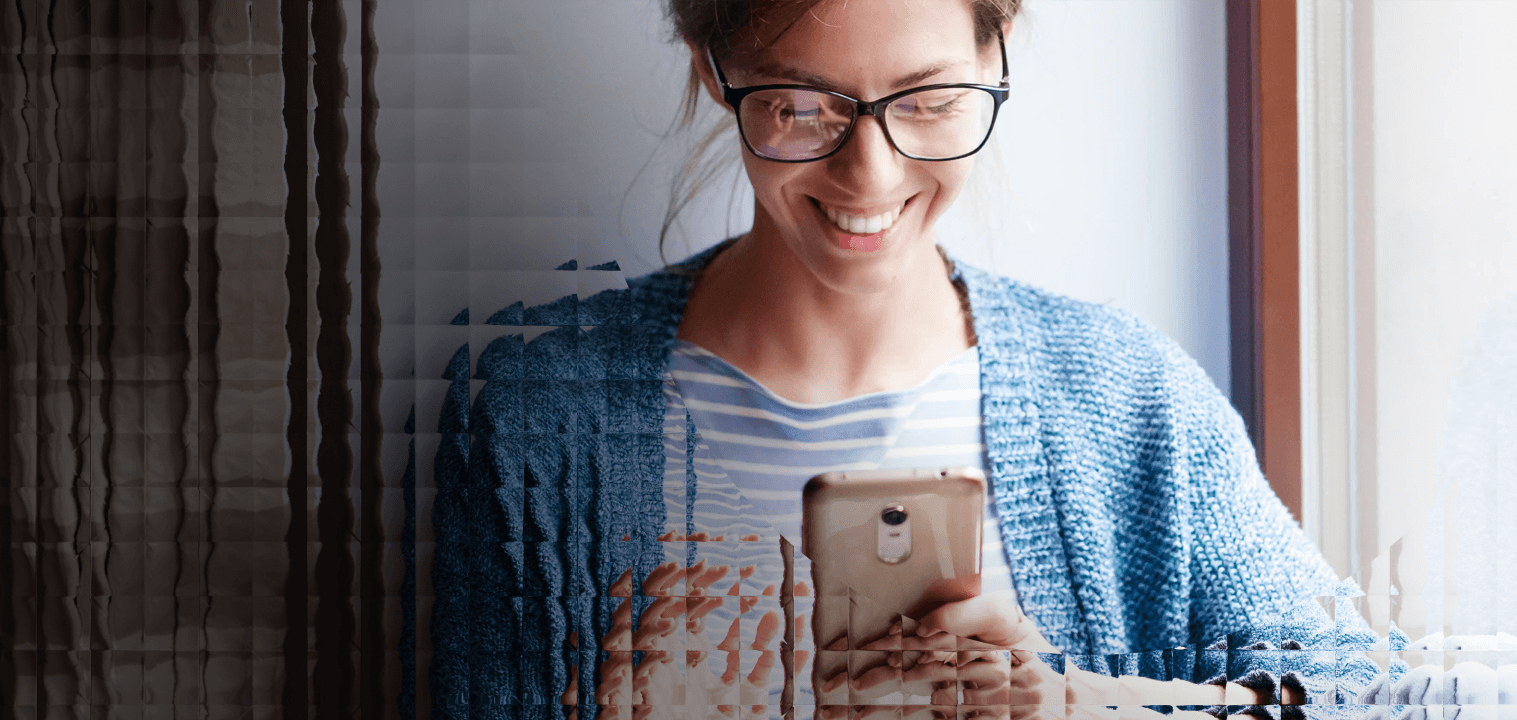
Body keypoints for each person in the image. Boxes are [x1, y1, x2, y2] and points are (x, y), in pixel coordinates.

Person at [431, 1, 1379, 718]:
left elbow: (1362, 695)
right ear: (711, 69)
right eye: (802, 107)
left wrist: (1077, 704)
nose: (870, 176)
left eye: (928, 102)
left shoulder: (1128, 399)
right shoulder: (535, 420)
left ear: (995, 50)